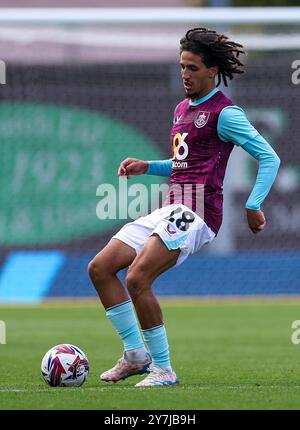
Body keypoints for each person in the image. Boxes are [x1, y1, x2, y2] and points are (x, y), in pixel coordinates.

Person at [88, 28, 280, 387]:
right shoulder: (181, 109)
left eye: (193, 68)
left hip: (199, 212)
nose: (185, 75)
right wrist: (148, 166)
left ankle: (164, 370)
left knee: (137, 277)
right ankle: (135, 355)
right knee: (100, 268)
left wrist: (253, 204)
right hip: (173, 205)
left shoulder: (226, 113)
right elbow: (184, 164)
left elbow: (269, 157)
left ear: (212, 71)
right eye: (182, 67)